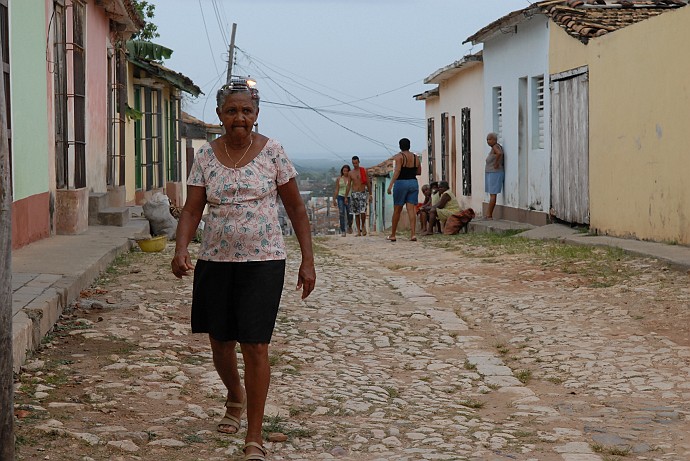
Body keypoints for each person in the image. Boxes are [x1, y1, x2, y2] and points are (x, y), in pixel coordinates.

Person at [171, 78, 316, 461]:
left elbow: (297, 209)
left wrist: (308, 260)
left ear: (256, 114)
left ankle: (254, 435)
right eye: (231, 110)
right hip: (215, 262)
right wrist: (181, 248)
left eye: (246, 110)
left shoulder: (273, 153)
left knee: (255, 344)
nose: (239, 117)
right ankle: (234, 397)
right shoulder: (205, 157)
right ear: (219, 115)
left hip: (264, 261)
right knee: (220, 343)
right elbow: (191, 209)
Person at [386, 138, 421, 242]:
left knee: (397, 209)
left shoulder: (399, 157)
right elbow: (419, 172)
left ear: (400, 146)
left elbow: (397, 171)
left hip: (401, 182)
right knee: (411, 209)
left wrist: (391, 185)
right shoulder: (416, 157)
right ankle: (413, 234)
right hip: (413, 183)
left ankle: (393, 234)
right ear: (409, 145)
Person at [346, 155, 372, 236]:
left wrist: (370, 194)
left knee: (363, 211)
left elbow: (368, 182)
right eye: (353, 163)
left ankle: (363, 226)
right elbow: (349, 185)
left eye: (356, 163)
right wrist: (346, 196)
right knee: (356, 213)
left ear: (359, 162)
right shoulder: (350, 173)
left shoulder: (363, 171)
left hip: (362, 192)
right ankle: (358, 230)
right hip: (354, 194)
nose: (355, 165)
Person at [485, 132, 505, 220]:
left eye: (489, 139)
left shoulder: (495, 147)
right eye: (487, 140)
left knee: (493, 194)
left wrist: (496, 163)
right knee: (491, 194)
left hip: (494, 173)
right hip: (491, 172)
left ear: (494, 140)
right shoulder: (493, 148)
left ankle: (489, 215)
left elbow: (499, 153)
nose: (488, 141)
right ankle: (488, 214)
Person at [332, 164, 352, 237]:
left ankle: (349, 225)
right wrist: (334, 199)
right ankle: (343, 230)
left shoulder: (351, 179)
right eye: (344, 171)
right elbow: (337, 189)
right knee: (341, 213)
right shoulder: (339, 179)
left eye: (347, 171)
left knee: (349, 213)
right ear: (342, 171)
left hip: (349, 196)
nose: (345, 172)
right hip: (340, 196)